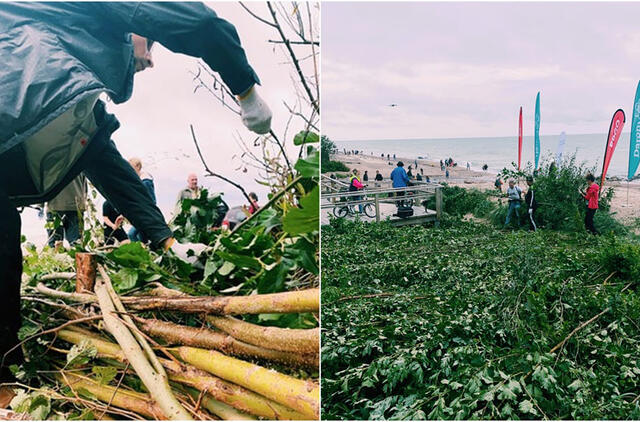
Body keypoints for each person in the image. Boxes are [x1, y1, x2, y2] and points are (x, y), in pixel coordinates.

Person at [0, 2, 272, 382]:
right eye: (152, 45)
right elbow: (197, 22)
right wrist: (245, 90)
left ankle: (5, 376)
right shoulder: (69, 15)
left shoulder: (68, 84)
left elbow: (110, 168)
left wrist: (167, 241)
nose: (152, 60)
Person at [45, 175, 87, 248]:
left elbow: (44, 183)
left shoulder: (48, 167)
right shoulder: (80, 167)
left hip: (55, 205)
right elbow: (85, 188)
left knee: (55, 244)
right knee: (76, 244)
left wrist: (40, 204)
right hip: (75, 206)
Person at [127, 158, 156, 242]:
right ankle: (144, 249)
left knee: (131, 234)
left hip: (145, 214)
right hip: (140, 214)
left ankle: (139, 249)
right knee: (142, 237)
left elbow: (152, 200)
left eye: (131, 167)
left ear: (138, 167)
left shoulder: (146, 182)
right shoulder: (138, 181)